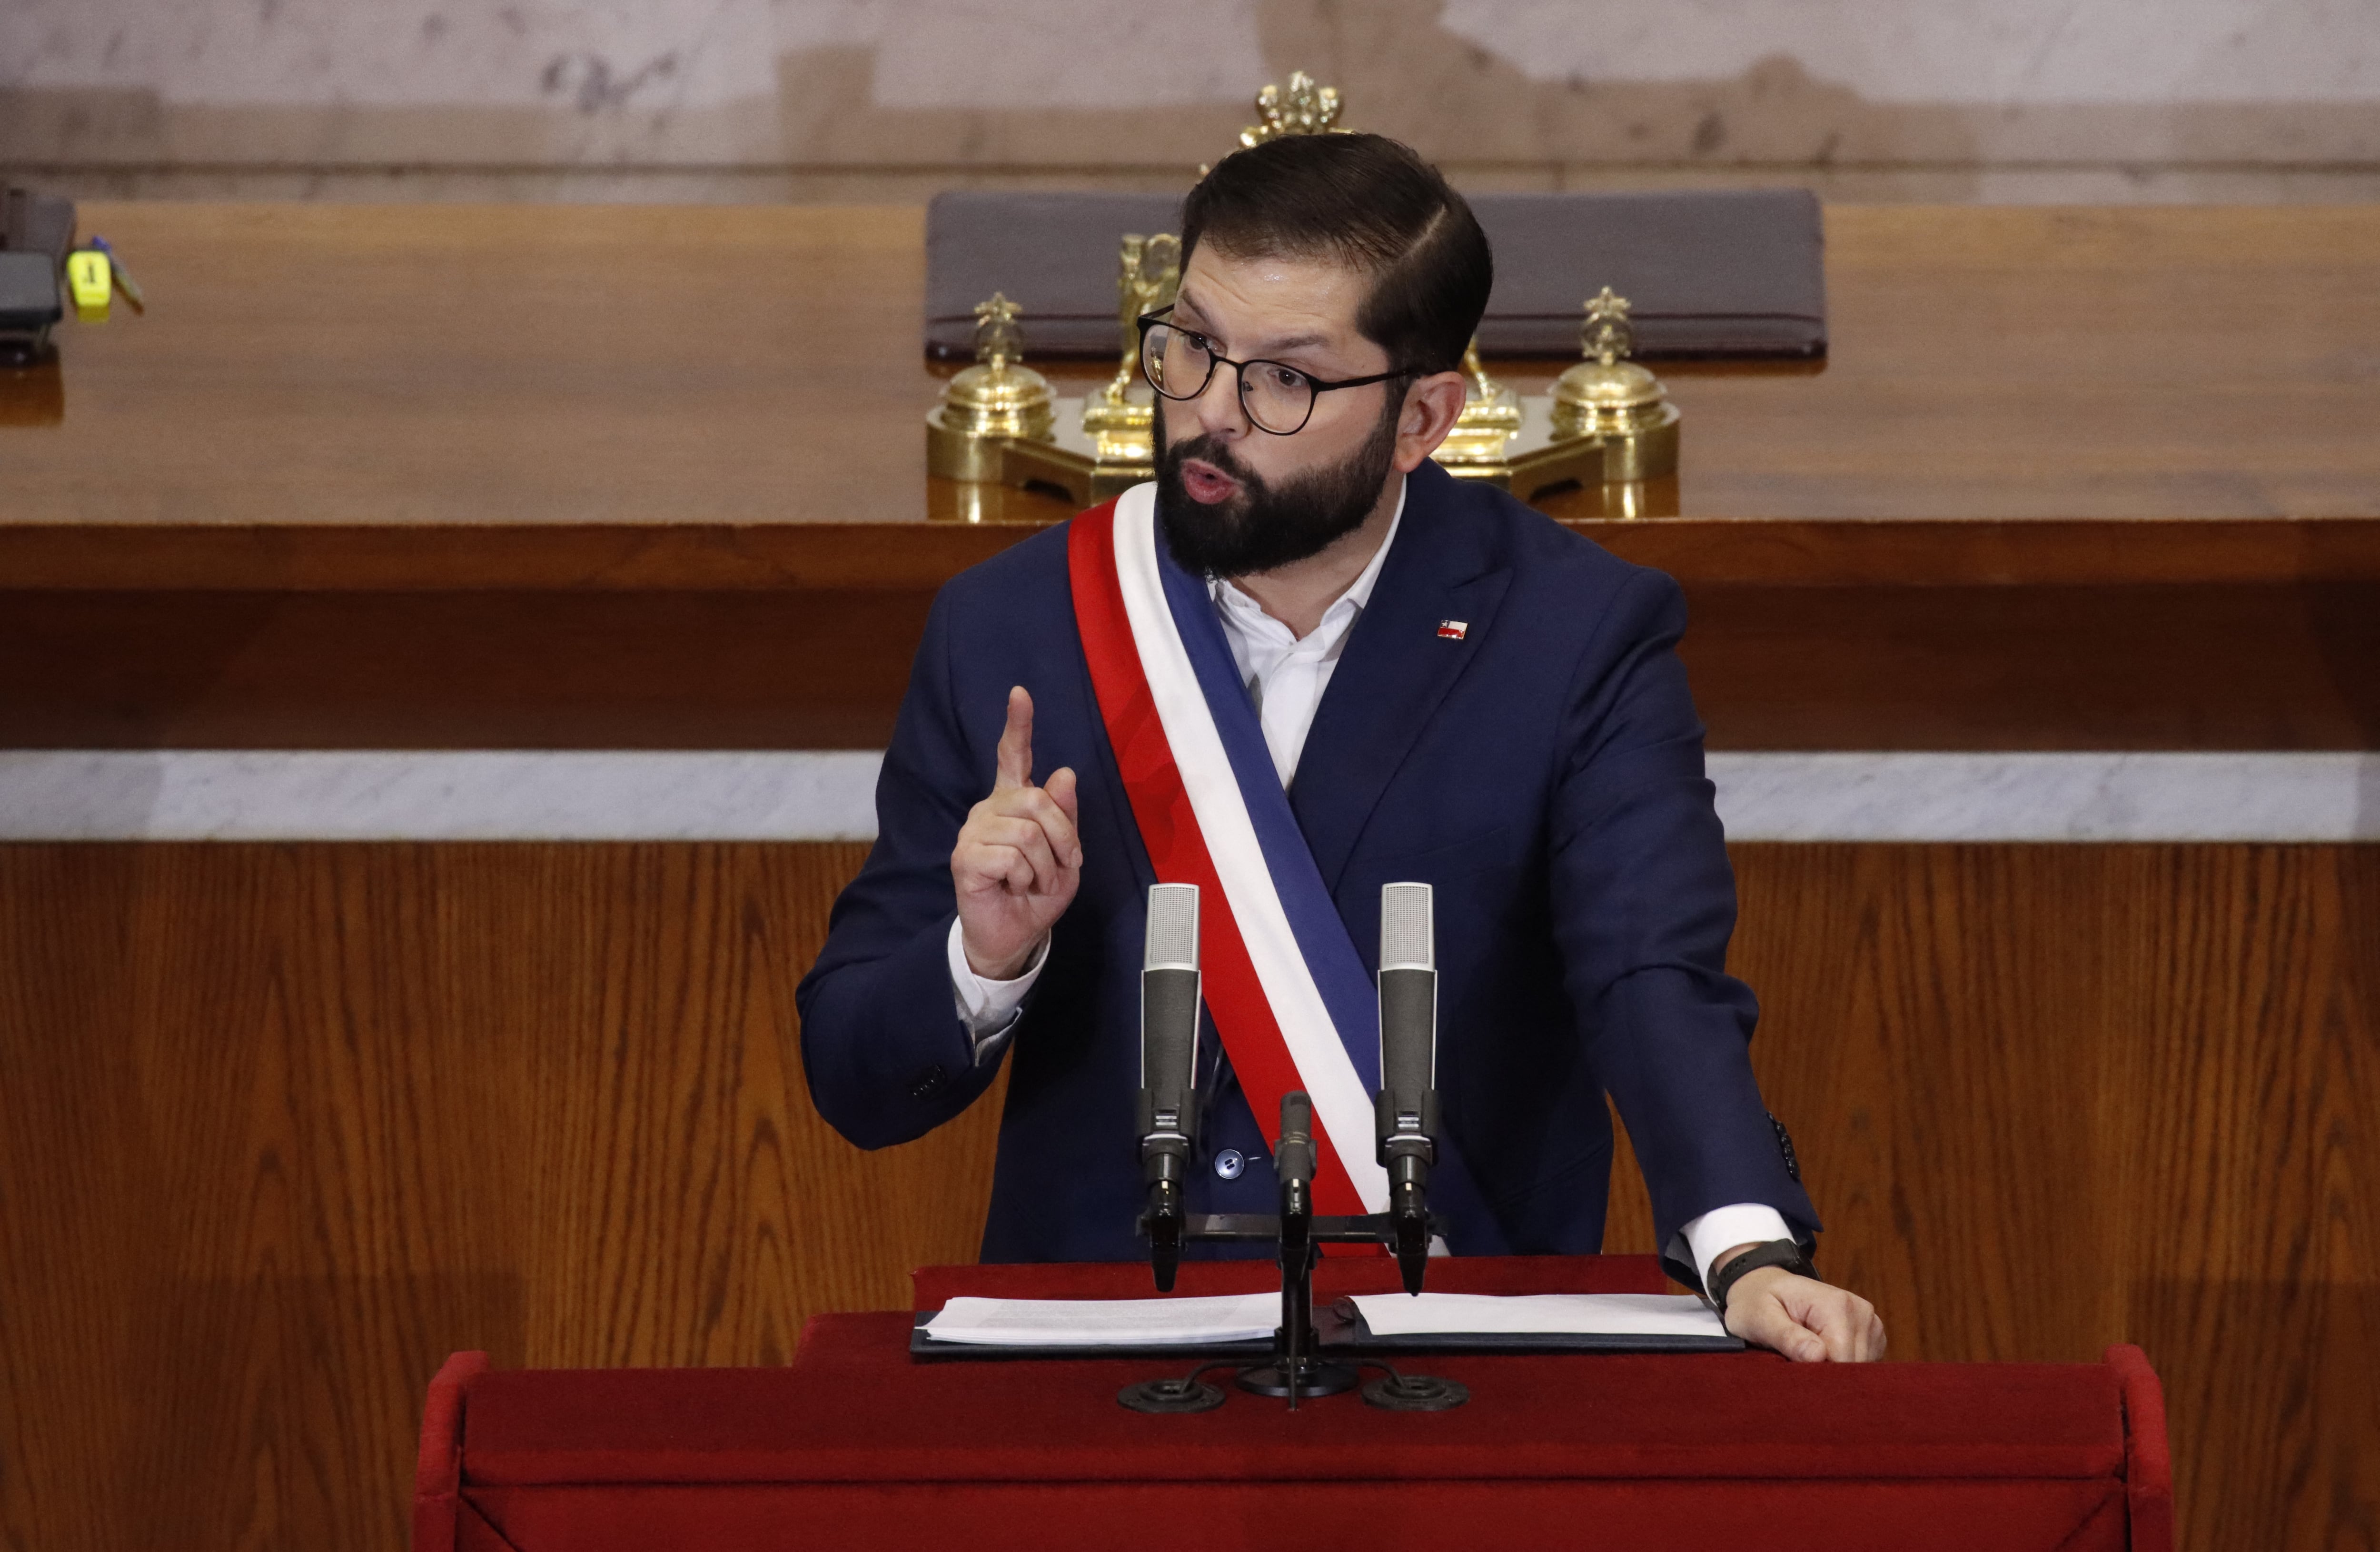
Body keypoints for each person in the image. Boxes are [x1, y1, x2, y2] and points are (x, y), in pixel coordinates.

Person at [799, 132, 1885, 1362]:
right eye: (1192, 347)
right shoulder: (1017, 622)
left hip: (1452, 1338)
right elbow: (855, 1080)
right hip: (1093, 1350)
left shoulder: (1577, 632)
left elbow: (1650, 974)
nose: (1210, 413)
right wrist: (982, 959)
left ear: (1422, 415)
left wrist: (1743, 1240)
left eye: (1284, 381)